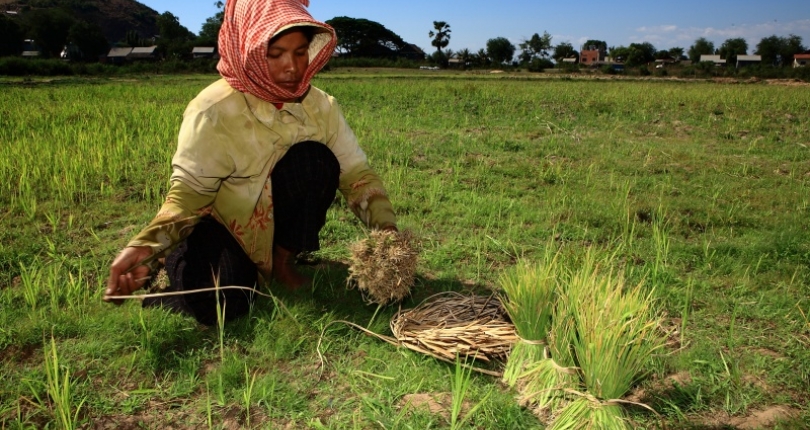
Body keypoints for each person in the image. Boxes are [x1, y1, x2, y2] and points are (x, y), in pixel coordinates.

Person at [105, 0, 397, 325]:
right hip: (219, 227)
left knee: (316, 161)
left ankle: (283, 261)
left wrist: (387, 232)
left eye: (300, 52)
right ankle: (173, 269)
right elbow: (188, 197)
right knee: (225, 301)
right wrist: (146, 248)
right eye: (276, 54)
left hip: (274, 228)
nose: (292, 67)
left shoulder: (321, 107)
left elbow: (356, 174)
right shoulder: (212, 111)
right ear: (249, 50)